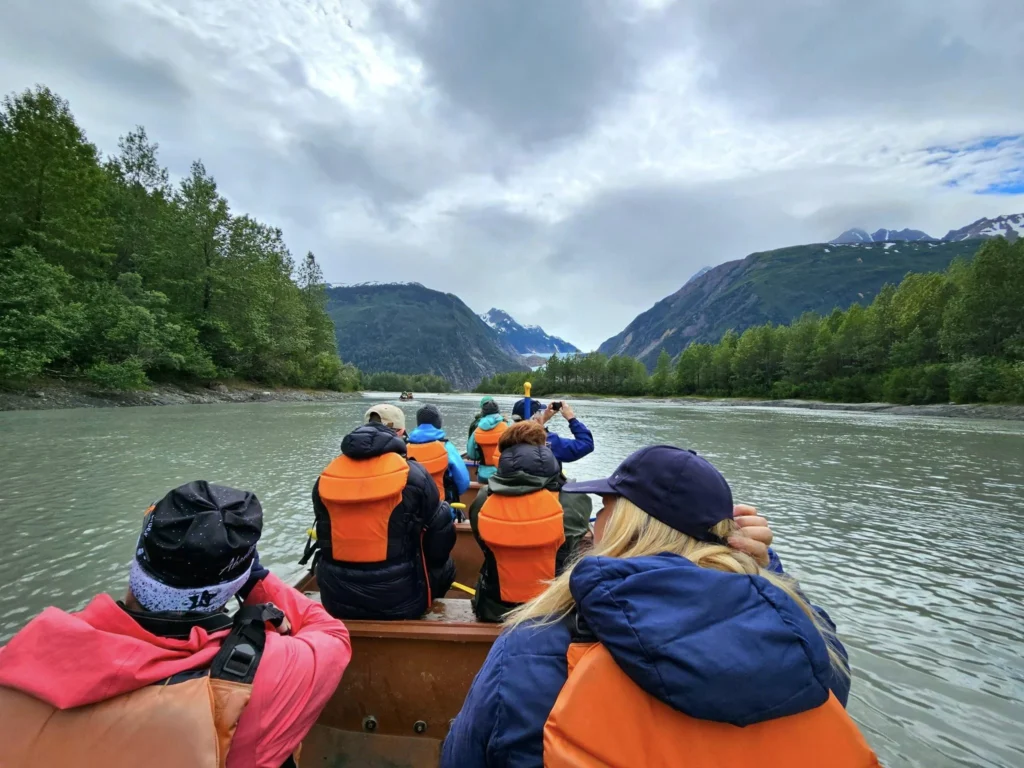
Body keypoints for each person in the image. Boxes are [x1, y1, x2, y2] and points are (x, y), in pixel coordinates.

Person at [443, 446, 877, 768]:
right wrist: (764, 568)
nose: (594, 522)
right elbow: (807, 624)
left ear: (627, 527)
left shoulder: (531, 642)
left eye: (605, 508)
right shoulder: (809, 646)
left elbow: (460, 758)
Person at [0, 481, 352, 768]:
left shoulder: (25, 649)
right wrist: (256, 579)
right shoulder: (269, 672)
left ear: (140, 554)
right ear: (233, 585)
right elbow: (332, 635)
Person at [306, 407, 456, 620]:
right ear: (401, 432)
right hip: (403, 602)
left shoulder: (326, 476)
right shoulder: (414, 475)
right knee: (447, 566)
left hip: (335, 600)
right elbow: (440, 541)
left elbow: (324, 535)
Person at [468, 420, 592, 623]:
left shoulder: (483, 498)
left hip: (494, 609)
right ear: (544, 448)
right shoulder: (573, 498)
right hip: (555, 610)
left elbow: (481, 541)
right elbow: (574, 543)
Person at [407, 404, 471, 503]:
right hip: (441, 509)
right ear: (438, 423)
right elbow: (463, 483)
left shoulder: (405, 448)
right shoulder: (447, 447)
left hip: (411, 509)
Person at [532, 400, 594, 465]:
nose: (541, 415)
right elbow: (587, 444)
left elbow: (526, 429)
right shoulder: (548, 441)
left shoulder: (521, 438)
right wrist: (571, 418)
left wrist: (543, 419)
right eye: (539, 413)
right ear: (534, 417)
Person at [465, 398, 509, 481]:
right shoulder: (507, 427)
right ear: (498, 412)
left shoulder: (477, 430)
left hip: (483, 475)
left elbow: (472, 454)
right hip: (503, 473)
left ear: (483, 413)